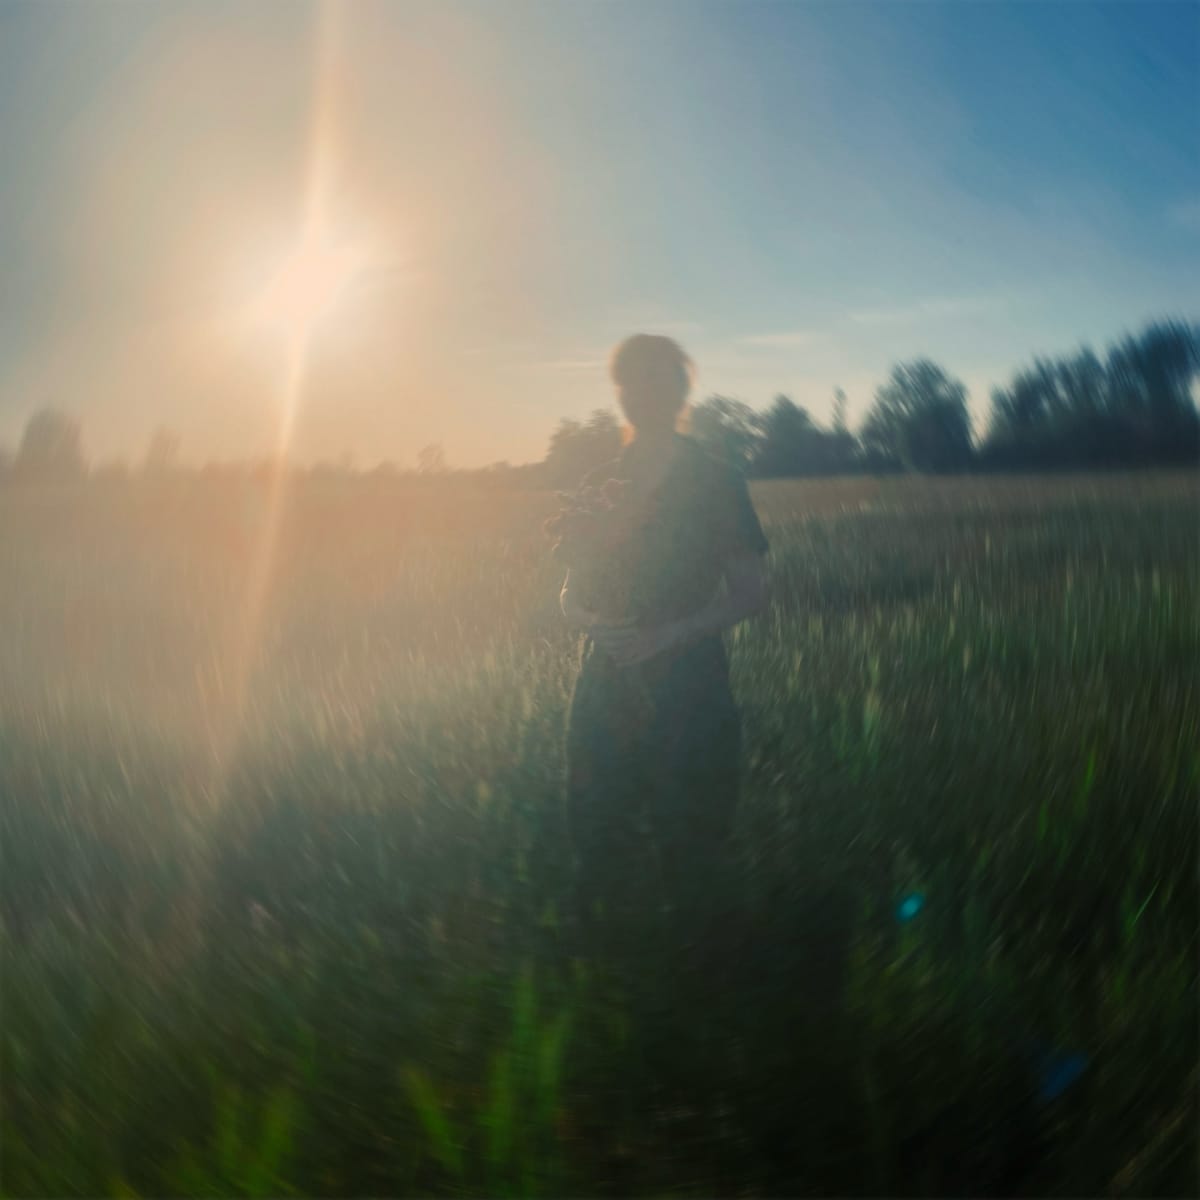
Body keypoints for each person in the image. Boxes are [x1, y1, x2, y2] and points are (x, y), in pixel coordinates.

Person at [558, 333, 769, 1106]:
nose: (639, 395)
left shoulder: (715, 479)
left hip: (688, 689)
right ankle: (600, 1009)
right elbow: (568, 591)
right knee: (596, 832)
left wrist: (666, 637)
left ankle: (706, 1019)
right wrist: (587, 620)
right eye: (628, 383)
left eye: (656, 382)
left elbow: (750, 591)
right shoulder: (601, 479)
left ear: (679, 392)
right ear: (619, 392)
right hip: (604, 685)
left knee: (693, 837)